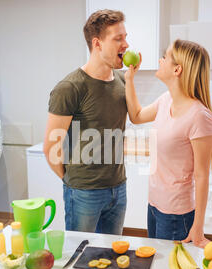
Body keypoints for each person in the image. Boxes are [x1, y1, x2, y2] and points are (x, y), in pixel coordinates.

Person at [124, 39, 212, 248]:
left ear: (177, 69)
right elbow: (137, 116)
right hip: (155, 204)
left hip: (176, 213)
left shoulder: (200, 116)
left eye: (165, 57)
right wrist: (129, 79)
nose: (160, 60)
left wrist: (198, 227)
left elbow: (202, 175)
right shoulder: (166, 100)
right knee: (157, 267)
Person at [43, 10, 130, 235]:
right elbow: (50, 148)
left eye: (125, 37)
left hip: (118, 188)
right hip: (84, 193)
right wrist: (74, 183)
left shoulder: (122, 81)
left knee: (110, 257)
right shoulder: (70, 87)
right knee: (79, 254)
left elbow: (138, 116)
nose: (126, 44)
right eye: (118, 38)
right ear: (97, 43)